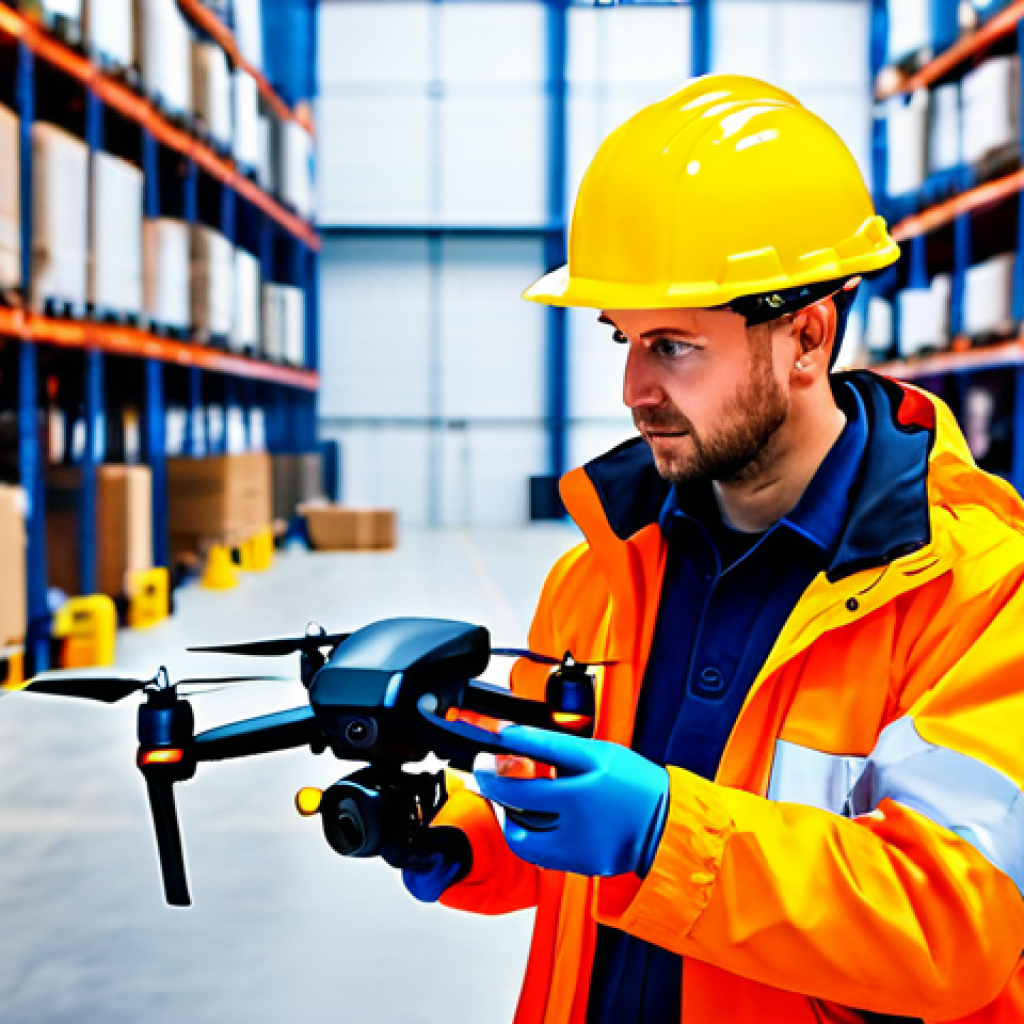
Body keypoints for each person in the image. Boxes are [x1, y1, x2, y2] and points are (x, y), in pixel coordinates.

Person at [397, 74, 1024, 1023]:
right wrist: (466, 837)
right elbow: (561, 804)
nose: (633, 388)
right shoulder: (600, 576)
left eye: (676, 346)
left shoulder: (977, 595)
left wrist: (661, 836)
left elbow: (950, 925)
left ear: (806, 337)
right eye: (625, 338)